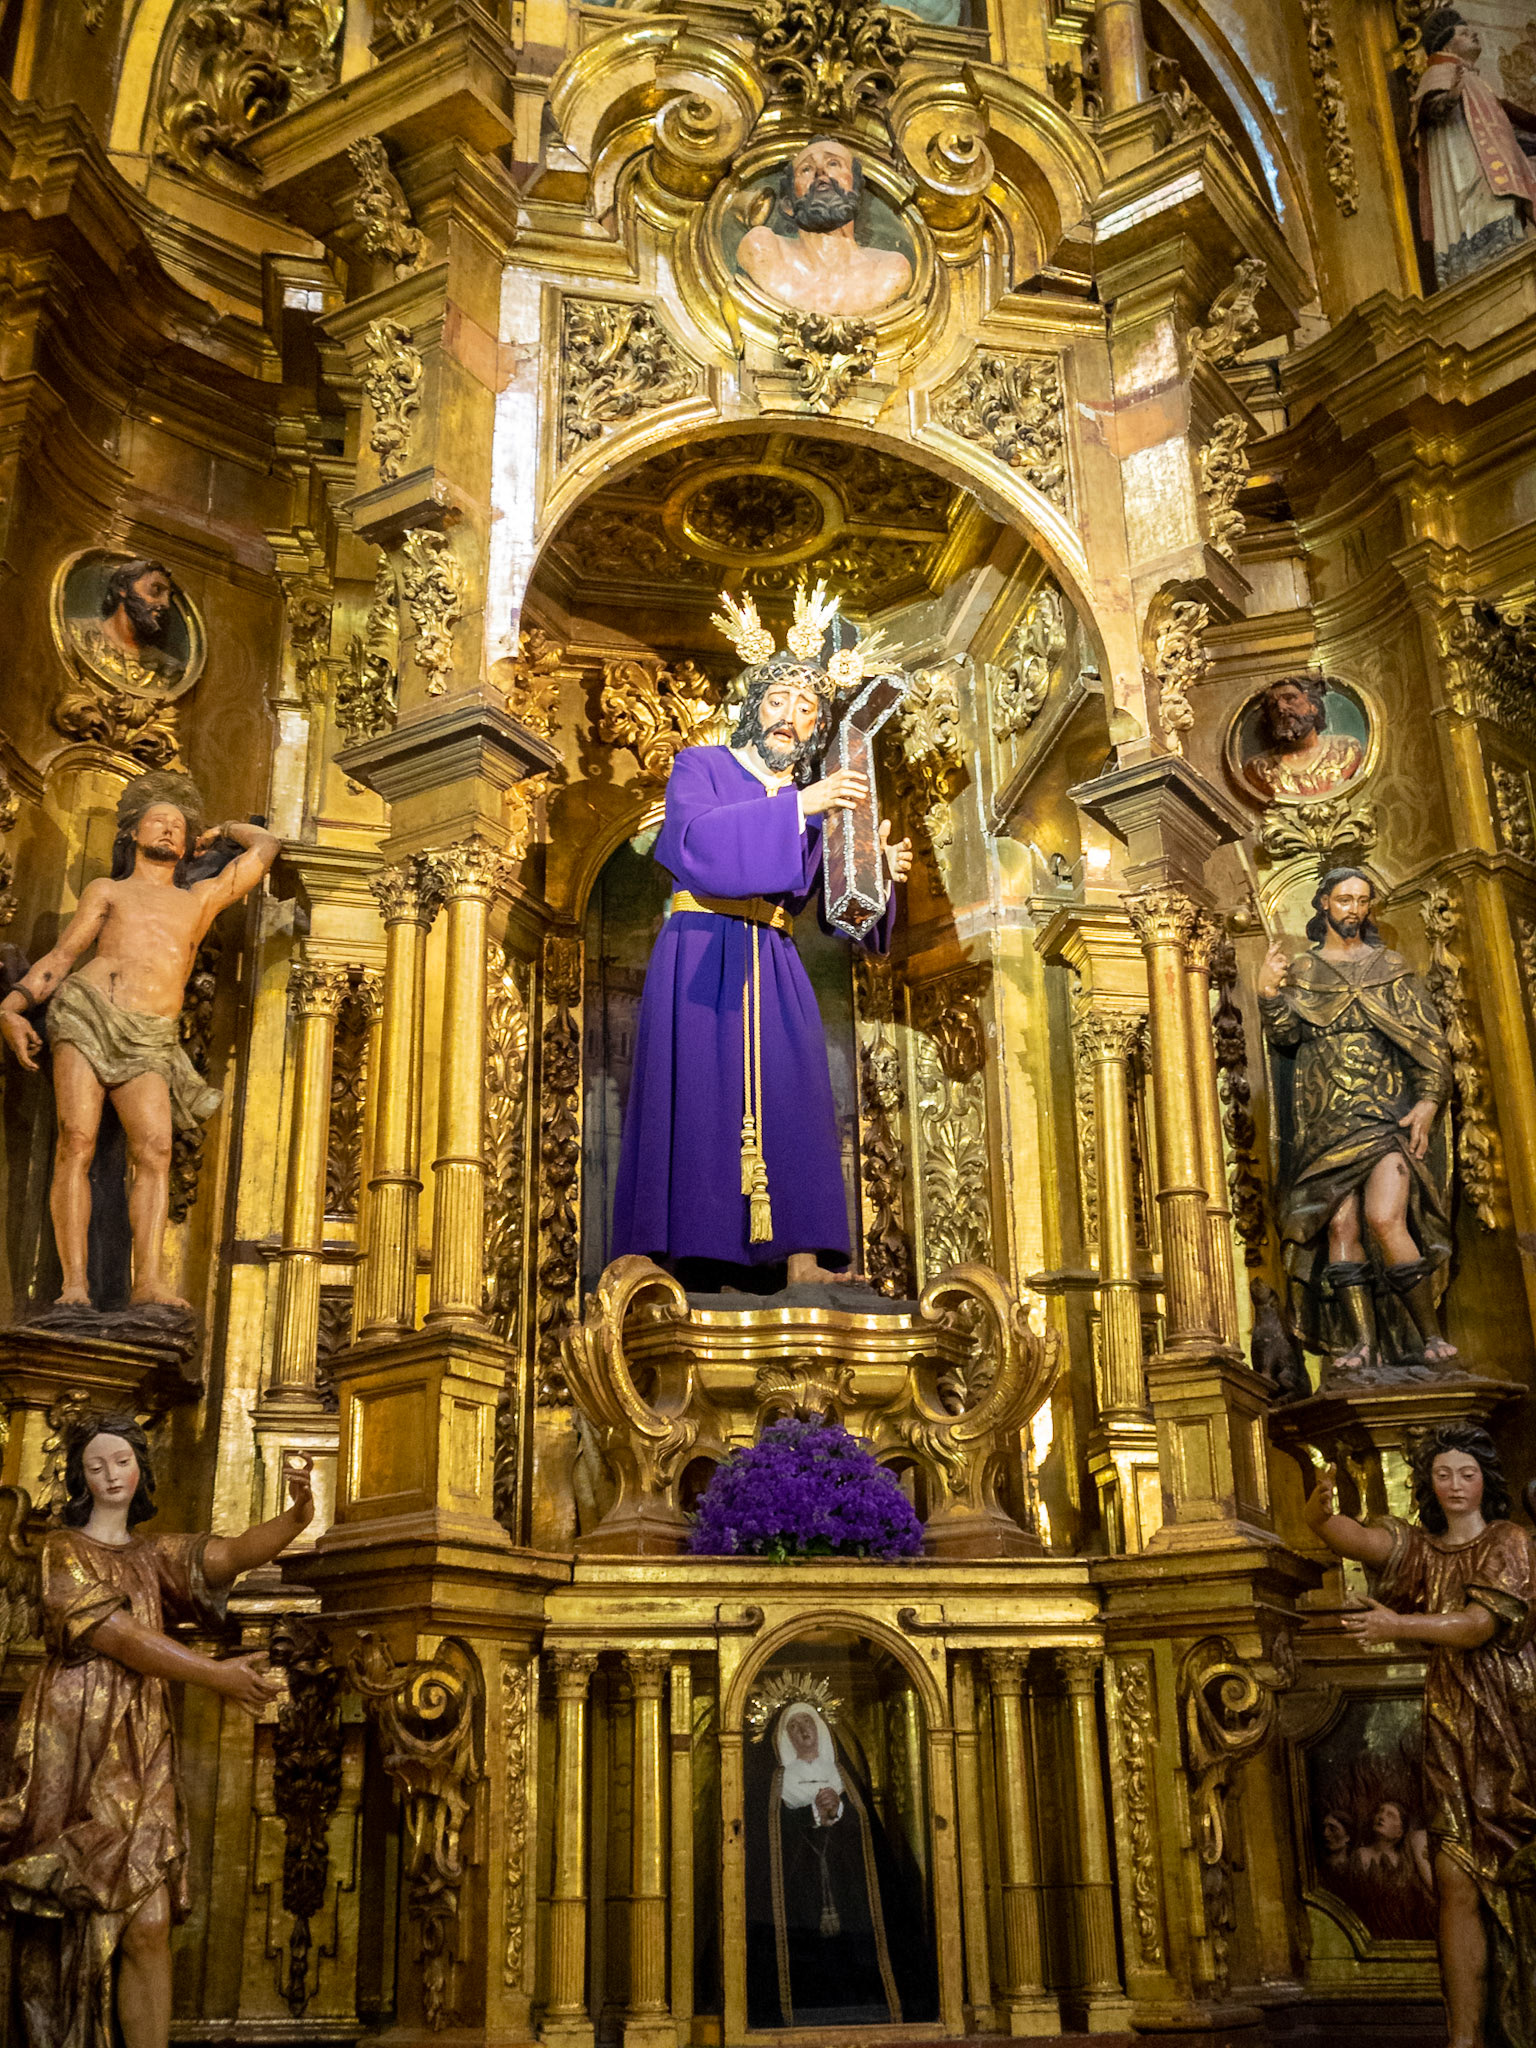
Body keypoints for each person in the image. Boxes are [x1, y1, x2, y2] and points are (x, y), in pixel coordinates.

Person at [610, 593, 911, 1288]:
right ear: (754, 704)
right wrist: (796, 806)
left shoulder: (815, 794)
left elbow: (832, 902)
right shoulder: (702, 767)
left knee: (794, 1095)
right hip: (699, 947)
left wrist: (877, 875)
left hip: (773, 958)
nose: (793, 719)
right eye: (780, 701)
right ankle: (677, 1257)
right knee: (695, 1097)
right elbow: (696, 844)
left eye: (808, 711)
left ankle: (802, 1260)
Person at [0, 1414, 314, 2048]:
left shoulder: (152, 1554)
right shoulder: (61, 1549)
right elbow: (123, 1637)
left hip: (138, 1740)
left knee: (149, 1920)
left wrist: (297, 1516)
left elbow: (224, 1557)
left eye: (121, 1462)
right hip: (73, 1740)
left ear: (139, 1468)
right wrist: (218, 1676)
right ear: (81, 1479)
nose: (111, 1475)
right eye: (96, 1466)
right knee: (67, 1910)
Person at [0, 772, 278, 1311]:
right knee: (76, 1140)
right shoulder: (107, 891)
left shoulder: (200, 898)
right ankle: (74, 1285)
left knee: (155, 1149)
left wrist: (220, 830)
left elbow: (266, 847)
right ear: (131, 834)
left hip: (151, 1033)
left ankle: (148, 1282)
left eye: (179, 826)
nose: (170, 831)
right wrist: (11, 1009)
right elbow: (61, 958)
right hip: (89, 1012)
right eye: (159, 821)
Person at [1305, 1424, 1536, 2047]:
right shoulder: (1424, 1550)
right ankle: (1464, 2040)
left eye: (1467, 1473)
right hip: (1452, 1730)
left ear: (1486, 1479)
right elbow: (1361, 1540)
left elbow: (1476, 1626)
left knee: (1521, 1875)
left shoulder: (1509, 1541)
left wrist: (1398, 1624)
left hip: (1514, 1727)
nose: (1456, 1485)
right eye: (1443, 1474)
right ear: (1428, 1483)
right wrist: (1320, 1510)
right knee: (1455, 1882)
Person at [1258, 867, 1455, 1375]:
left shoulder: (1390, 968)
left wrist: (1429, 1102)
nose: (1354, 909)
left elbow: (1428, 1043)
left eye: (1363, 901)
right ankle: (1361, 1344)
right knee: (1339, 1223)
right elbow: (1283, 1037)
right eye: (1344, 899)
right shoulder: (1303, 971)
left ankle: (1430, 1336)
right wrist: (1268, 994)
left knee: (1385, 1218)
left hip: (1383, 1115)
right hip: (1324, 1123)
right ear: (1323, 903)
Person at [745, 1698, 935, 2028]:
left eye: (806, 1722)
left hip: (849, 1886)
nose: (802, 1729)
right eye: (793, 1726)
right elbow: (766, 1837)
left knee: (851, 1951)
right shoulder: (777, 1780)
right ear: (783, 1738)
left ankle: (861, 2004)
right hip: (795, 1889)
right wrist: (813, 1813)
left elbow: (868, 1831)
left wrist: (839, 1812)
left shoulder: (841, 1773)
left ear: (819, 1728)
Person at [1409, 10, 1536, 291]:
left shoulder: (1476, 80)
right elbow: (1430, 108)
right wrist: (1450, 97)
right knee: (1488, 209)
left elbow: (1509, 121)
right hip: (1467, 165)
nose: (1474, 34)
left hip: (1495, 164)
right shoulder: (1439, 72)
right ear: (1445, 45)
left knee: (1513, 199)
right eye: (1464, 33)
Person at [738, 137, 913, 318]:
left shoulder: (889, 270)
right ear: (788, 204)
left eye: (833, 164)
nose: (821, 172)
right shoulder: (763, 250)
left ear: (856, 190)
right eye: (806, 169)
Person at [68, 561, 187, 693]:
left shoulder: (168, 668)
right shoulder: (77, 633)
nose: (165, 604)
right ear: (123, 588)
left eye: (168, 597)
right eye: (156, 590)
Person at [1243, 675, 1364, 802]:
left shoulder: (1346, 749)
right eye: (1273, 706)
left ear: (1312, 705)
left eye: (1290, 698)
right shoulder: (1260, 768)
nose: (1281, 708)